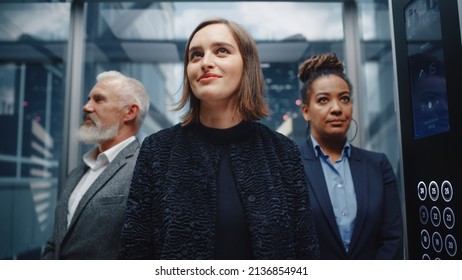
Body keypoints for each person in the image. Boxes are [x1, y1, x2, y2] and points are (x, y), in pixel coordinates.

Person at [118, 17, 320, 260]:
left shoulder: (283, 152)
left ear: (247, 66)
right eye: (196, 55)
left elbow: (305, 251)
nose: (206, 62)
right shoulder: (157, 150)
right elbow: (134, 252)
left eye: (221, 51)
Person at [297, 53, 403, 259]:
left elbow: (392, 239)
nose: (336, 108)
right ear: (306, 111)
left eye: (344, 99)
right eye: (323, 100)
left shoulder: (378, 165)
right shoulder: (289, 166)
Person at [42, 70, 149, 259]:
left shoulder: (145, 170)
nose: (86, 107)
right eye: (89, 99)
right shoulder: (77, 172)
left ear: (130, 112)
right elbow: (56, 243)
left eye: (98, 100)